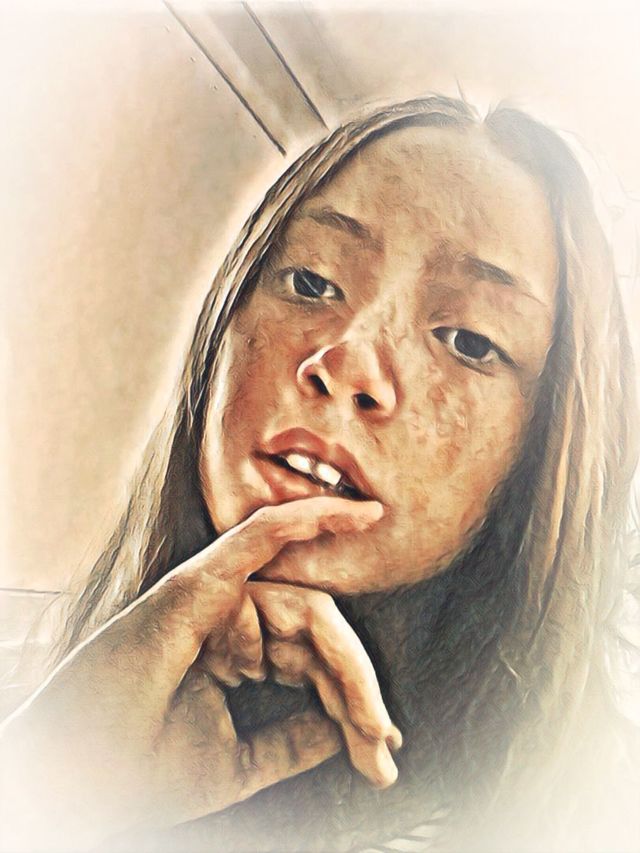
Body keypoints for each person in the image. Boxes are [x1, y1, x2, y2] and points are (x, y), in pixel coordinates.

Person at [1, 95, 637, 853]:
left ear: (539, 455)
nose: (346, 362)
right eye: (310, 282)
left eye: (467, 339)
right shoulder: (36, 706)